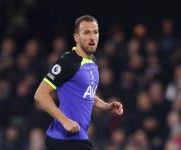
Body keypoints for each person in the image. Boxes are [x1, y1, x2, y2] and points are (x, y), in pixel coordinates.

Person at [34, 15, 124, 150]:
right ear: (76, 37)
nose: (92, 37)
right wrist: (65, 121)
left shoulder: (92, 60)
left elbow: (86, 93)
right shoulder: (69, 62)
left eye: (95, 32)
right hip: (65, 138)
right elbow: (40, 95)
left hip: (75, 137)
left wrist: (106, 106)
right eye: (86, 32)